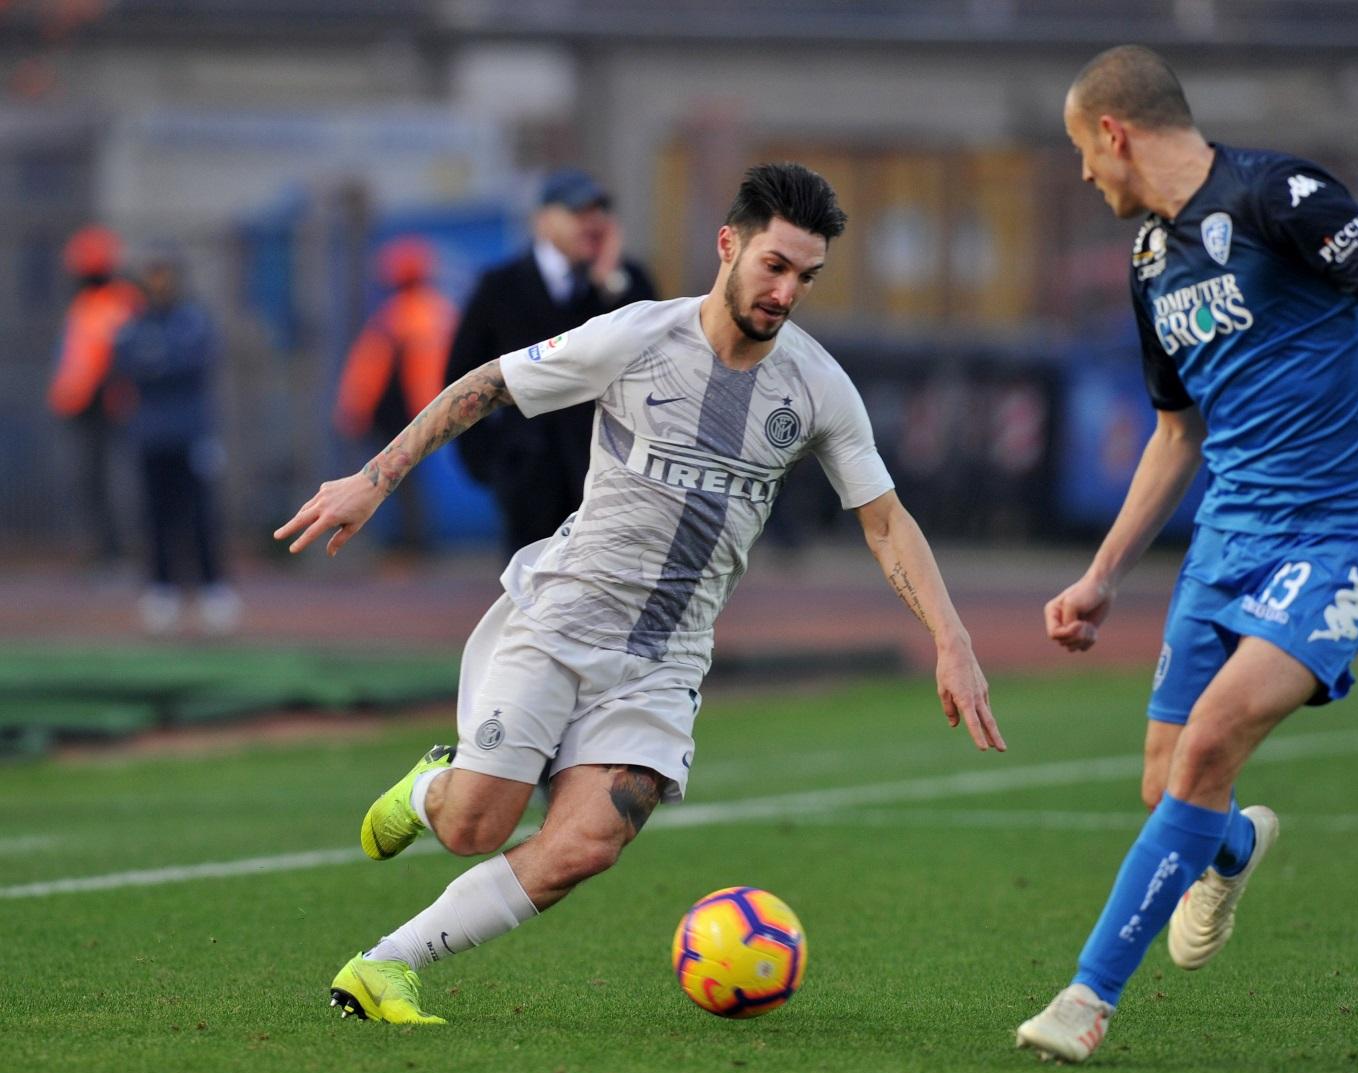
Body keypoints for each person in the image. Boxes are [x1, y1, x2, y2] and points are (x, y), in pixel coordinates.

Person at [276, 162, 1004, 1025]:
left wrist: (952, 640)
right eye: (773, 265)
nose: (785, 292)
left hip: (665, 661)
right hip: (559, 621)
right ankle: (429, 789)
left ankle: (386, 966)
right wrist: (374, 479)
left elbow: (885, 522)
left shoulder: (816, 388)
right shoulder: (637, 337)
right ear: (729, 245)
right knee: (473, 827)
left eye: (805, 276)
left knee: (587, 843)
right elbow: (488, 384)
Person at [1016, 45, 1358, 1063]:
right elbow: (1175, 433)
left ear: (1115, 133)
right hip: (1233, 531)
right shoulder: (1151, 262)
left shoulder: (1281, 195)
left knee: (1208, 747)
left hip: (1350, 528)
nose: (1083, 172)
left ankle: (1086, 997)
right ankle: (1232, 845)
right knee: (1169, 788)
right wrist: (1102, 575)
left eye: (1082, 149)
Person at [445, 167, 657, 555]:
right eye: (578, 212)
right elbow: (460, 376)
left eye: (599, 212)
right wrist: (492, 463)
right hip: (530, 486)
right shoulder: (501, 286)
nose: (593, 223)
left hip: (609, 482)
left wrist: (610, 286)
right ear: (543, 221)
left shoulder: (627, 282)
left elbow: (653, 360)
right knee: (533, 587)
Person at [112, 252, 240, 635]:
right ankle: (161, 589)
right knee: (155, 516)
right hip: (150, 437)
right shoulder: (134, 323)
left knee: (201, 515)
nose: (158, 282)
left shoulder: (193, 320)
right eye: (152, 274)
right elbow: (125, 362)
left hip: (191, 435)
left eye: (163, 273)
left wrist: (156, 361)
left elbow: (190, 362)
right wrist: (160, 361)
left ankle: (213, 589)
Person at [333, 236, 456, 552]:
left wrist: (354, 410)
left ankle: (406, 544)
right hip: (431, 410)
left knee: (389, 480)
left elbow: (370, 370)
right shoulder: (441, 310)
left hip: (396, 414)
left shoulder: (395, 316)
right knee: (409, 480)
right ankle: (414, 542)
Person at [45, 225, 144, 569]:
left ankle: (115, 554)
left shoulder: (120, 300)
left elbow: (119, 356)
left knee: (113, 482)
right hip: (80, 406)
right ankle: (102, 552)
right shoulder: (85, 303)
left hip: (109, 406)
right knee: (87, 482)